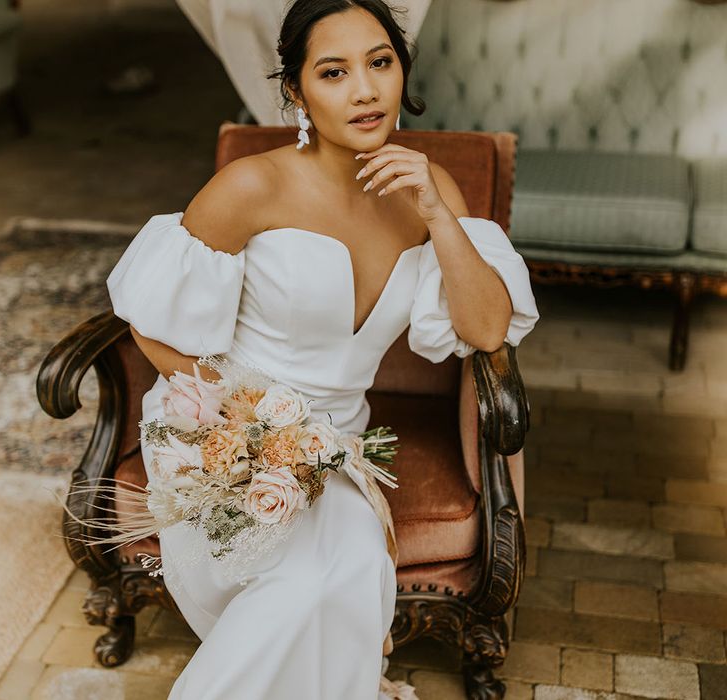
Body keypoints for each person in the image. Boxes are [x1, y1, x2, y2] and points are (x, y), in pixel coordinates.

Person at [104, 1, 539, 697]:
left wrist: (435, 211)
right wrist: (247, 416)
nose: (364, 90)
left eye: (380, 62)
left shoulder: (432, 190)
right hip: (218, 431)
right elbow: (151, 324)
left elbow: (487, 330)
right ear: (296, 92)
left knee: (356, 566)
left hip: (336, 441)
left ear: (403, 71)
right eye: (333, 72)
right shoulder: (252, 185)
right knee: (303, 584)